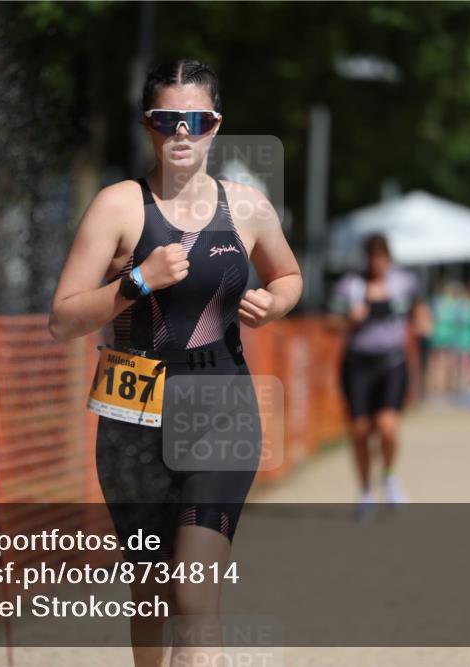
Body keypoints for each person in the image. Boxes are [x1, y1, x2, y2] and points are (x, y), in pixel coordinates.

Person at [49, 59, 302, 666]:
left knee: (193, 591)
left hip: (219, 407)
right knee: (153, 595)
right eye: (168, 119)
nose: (181, 133)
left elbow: (289, 273)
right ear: (148, 126)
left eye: (195, 119)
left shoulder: (247, 208)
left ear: (216, 125)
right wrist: (138, 279)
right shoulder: (118, 206)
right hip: (132, 413)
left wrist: (277, 301)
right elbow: (62, 318)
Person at [329, 234, 418, 518]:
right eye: (372, 257)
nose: (377, 263)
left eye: (382, 257)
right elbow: (330, 323)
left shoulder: (404, 282)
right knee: (359, 431)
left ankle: (389, 475)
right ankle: (366, 490)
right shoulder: (350, 286)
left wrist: (425, 326)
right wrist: (348, 319)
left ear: (388, 258)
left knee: (388, 426)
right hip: (358, 365)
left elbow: (421, 313)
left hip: (392, 362)